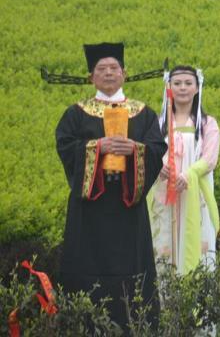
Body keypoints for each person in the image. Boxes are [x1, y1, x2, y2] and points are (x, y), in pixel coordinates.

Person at [54, 43, 166, 329]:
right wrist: (97, 147)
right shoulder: (76, 113)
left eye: (113, 68)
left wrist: (135, 150)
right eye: (100, 69)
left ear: (124, 73)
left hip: (128, 207)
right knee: (85, 271)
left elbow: (156, 149)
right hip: (89, 209)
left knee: (133, 275)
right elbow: (66, 147)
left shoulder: (143, 113)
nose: (107, 73)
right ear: (91, 76)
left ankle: (136, 327)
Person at [148, 66, 220, 276]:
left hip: (194, 193)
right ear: (168, 87)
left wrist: (188, 175)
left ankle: (196, 305)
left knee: (197, 245)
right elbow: (150, 151)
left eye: (188, 83)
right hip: (164, 193)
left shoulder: (207, 124)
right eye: (177, 83)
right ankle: (165, 304)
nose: (182, 88)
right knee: (163, 245)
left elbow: (209, 158)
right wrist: (159, 167)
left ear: (197, 88)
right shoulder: (158, 124)